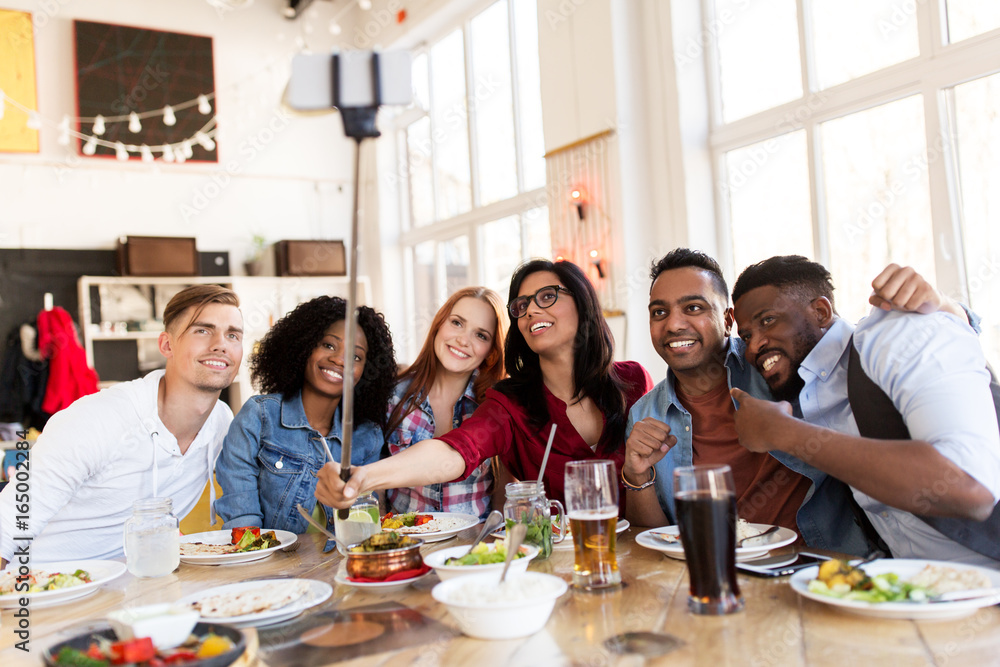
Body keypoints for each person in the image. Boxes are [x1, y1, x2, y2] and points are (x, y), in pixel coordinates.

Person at [315, 259, 653, 513]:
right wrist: (363, 478)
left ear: (582, 301)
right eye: (522, 305)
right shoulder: (510, 404)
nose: (532, 309)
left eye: (547, 296)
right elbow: (455, 450)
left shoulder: (634, 382)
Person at [729, 255, 1000, 567]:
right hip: (915, 589)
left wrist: (782, 432)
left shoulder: (894, 334)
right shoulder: (796, 389)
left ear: (820, 311)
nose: (753, 347)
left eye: (767, 320)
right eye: (746, 335)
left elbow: (970, 488)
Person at [0, 285, 244, 566]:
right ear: (166, 345)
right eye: (202, 330)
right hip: (43, 591)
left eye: (233, 335)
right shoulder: (99, 418)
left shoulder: (221, 422)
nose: (221, 344)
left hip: (134, 589)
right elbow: (7, 527)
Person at [215, 296, 396, 534]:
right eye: (329, 345)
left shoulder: (367, 436)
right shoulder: (259, 417)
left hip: (341, 565)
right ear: (304, 347)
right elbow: (243, 527)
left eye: (355, 356)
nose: (339, 360)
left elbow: (364, 523)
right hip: (273, 567)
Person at [384, 287, 507, 520]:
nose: (463, 340)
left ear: (491, 351)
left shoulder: (495, 406)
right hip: (406, 545)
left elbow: (504, 491)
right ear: (439, 324)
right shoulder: (392, 395)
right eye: (457, 323)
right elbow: (376, 485)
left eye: (481, 335)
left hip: (474, 548)